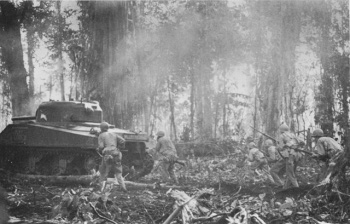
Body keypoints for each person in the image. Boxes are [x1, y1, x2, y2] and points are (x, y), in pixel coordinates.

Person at [97, 122, 127, 192]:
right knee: (118, 172)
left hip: (107, 154)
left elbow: (101, 146)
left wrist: (98, 149)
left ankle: (101, 190)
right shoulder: (114, 134)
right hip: (116, 153)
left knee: (103, 172)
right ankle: (124, 188)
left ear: (101, 128)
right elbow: (123, 141)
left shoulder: (101, 135)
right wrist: (118, 148)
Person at [277, 123, 304, 189]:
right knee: (291, 172)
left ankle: (297, 188)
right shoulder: (293, 135)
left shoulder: (281, 136)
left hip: (291, 156)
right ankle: (285, 188)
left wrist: (278, 145)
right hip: (298, 155)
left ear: (281, 130)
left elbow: (281, 147)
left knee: (290, 174)